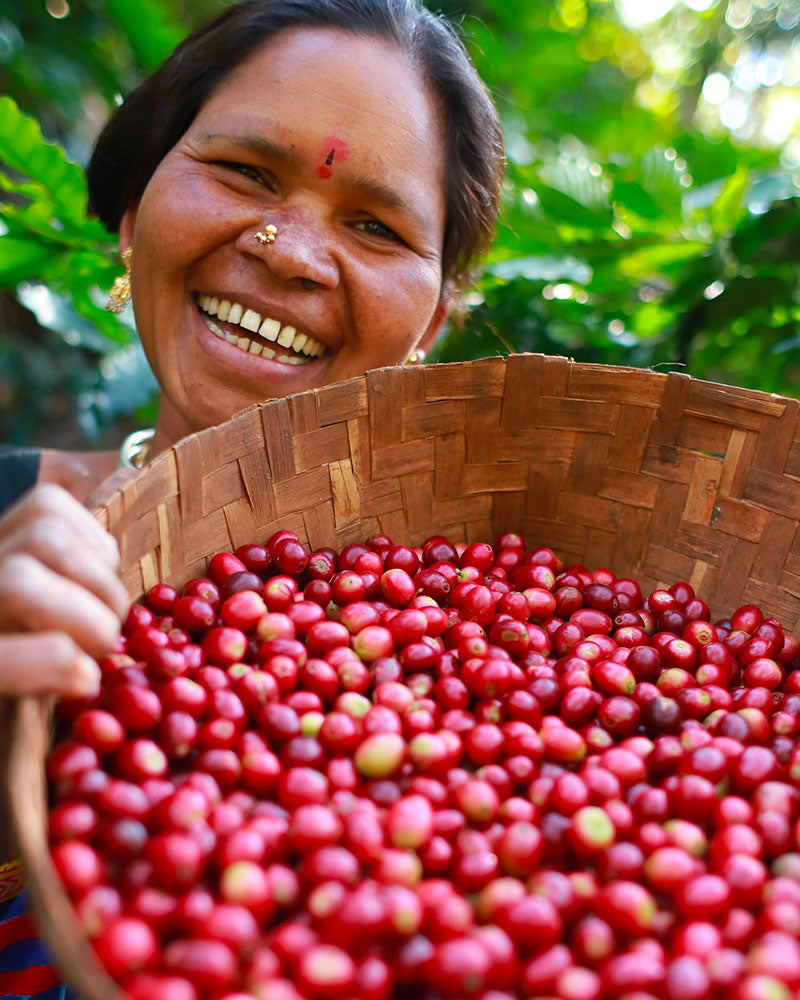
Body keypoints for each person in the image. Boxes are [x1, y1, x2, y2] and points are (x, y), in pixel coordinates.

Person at [0, 0, 504, 994]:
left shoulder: (465, 627)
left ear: (433, 325)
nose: (286, 251)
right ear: (136, 211)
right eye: (243, 173)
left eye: (372, 224)